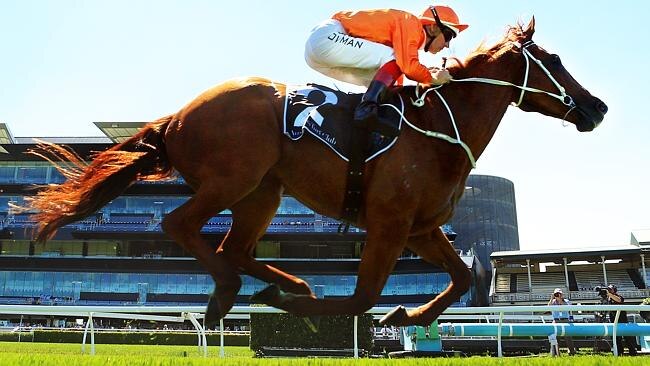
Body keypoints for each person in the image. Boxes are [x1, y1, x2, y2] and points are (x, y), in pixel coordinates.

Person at [304, 5, 468, 138]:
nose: (447, 45)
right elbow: (408, 66)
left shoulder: (409, 39)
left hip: (317, 57)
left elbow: (396, 77)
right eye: (448, 36)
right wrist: (431, 78)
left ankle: (368, 116)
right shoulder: (411, 23)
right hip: (328, 37)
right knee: (392, 58)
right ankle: (365, 112)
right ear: (433, 27)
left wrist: (424, 76)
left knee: (383, 82)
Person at [604, 284, 639, 356]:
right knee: (616, 338)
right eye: (609, 289)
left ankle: (632, 352)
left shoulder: (619, 297)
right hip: (614, 321)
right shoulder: (608, 299)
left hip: (623, 321)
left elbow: (619, 300)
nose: (609, 291)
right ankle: (619, 353)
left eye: (611, 289)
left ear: (615, 290)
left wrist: (609, 294)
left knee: (628, 338)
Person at [548, 288, 577, 356]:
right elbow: (548, 307)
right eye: (557, 294)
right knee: (555, 336)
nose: (558, 295)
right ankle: (555, 352)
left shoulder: (566, 301)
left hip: (565, 320)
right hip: (556, 320)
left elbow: (568, 307)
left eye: (559, 294)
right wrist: (552, 298)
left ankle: (571, 351)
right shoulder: (553, 301)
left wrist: (560, 300)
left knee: (568, 336)